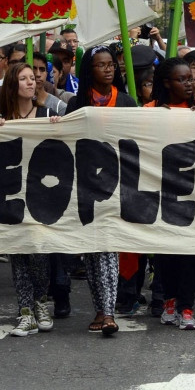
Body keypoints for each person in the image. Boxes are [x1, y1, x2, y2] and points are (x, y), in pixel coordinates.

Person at [65, 45, 138, 337]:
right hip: (85, 186)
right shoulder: (76, 104)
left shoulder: (127, 102)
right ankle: (100, 307)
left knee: (108, 247)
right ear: (88, 70)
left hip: (118, 184)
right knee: (92, 250)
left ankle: (108, 312)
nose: (108, 69)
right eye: (100, 65)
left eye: (111, 64)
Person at [0, 63, 59, 336]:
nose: (31, 82)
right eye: (24, 78)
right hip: (12, 194)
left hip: (42, 195)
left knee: (40, 251)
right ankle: (25, 312)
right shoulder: (2, 119)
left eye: (33, 78)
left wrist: (58, 128)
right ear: (12, 84)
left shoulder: (48, 114)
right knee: (19, 252)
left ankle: (41, 301)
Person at [145, 58, 195, 332]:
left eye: (190, 78)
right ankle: (169, 301)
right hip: (160, 193)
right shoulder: (148, 112)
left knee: (189, 254)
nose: (188, 83)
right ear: (166, 83)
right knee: (165, 255)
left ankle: (186, 308)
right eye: (181, 79)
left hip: (192, 193)